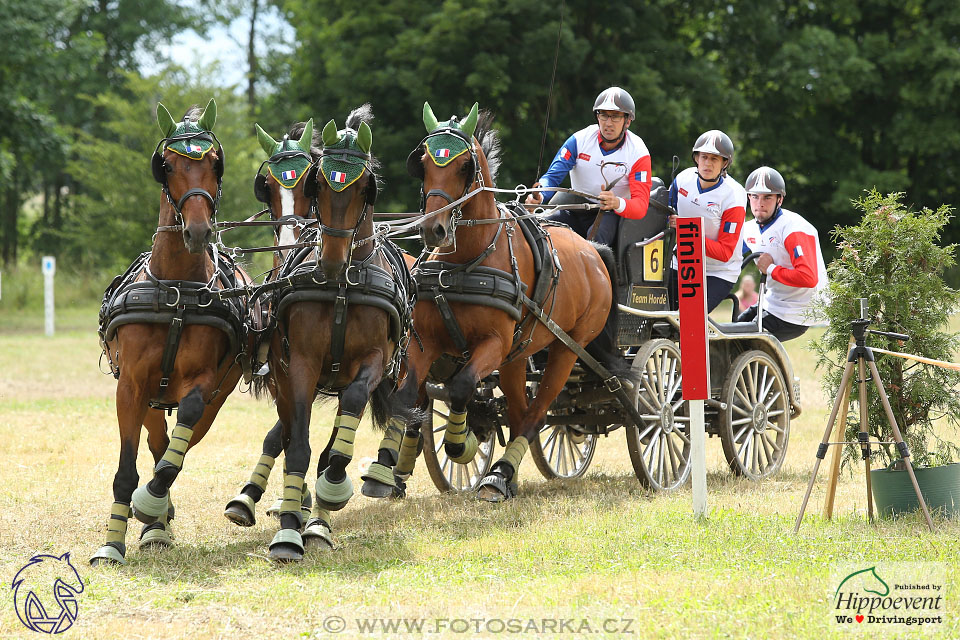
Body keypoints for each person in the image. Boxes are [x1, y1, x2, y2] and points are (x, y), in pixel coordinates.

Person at [524, 86, 652, 247]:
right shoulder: (579, 140)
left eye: (615, 117)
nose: (608, 123)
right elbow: (552, 177)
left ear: (627, 121)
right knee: (537, 230)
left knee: (594, 245)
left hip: (609, 213)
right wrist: (539, 195)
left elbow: (640, 206)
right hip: (576, 207)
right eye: (603, 115)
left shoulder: (638, 152)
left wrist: (616, 202)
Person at [737, 166, 828, 341]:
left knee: (745, 340)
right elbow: (728, 257)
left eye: (767, 197)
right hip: (772, 303)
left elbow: (808, 278)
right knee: (732, 330)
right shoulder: (748, 229)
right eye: (754, 196)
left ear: (780, 199)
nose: (760, 203)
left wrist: (770, 268)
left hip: (799, 310)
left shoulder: (794, 228)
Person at [667, 129, 747, 312]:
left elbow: (725, 252)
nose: (707, 164)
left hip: (718, 271)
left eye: (714, 159)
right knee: (661, 316)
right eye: (704, 157)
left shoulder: (734, 196)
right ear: (696, 158)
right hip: (682, 262)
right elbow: (665, 215)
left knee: (690, 318)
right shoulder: (682, 180)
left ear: (724, 163)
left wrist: (685, 230)